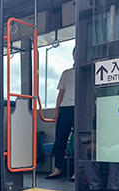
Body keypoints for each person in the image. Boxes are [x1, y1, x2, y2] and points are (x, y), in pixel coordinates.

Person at [46, 48, 75, 179]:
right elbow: (60, 94)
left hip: (81, 108)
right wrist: (56, 112)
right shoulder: (66, 73)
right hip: (65, 108)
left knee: (80, 141)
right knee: (60, 140)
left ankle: (77, 172)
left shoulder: (88, 70)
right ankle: (58, 168)